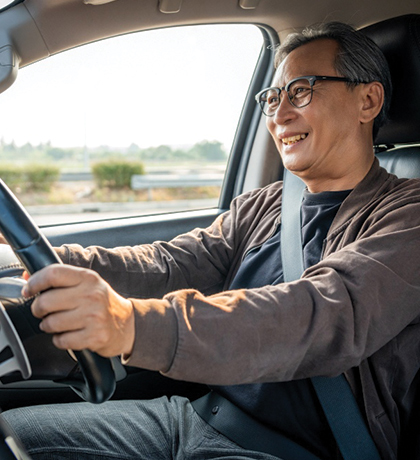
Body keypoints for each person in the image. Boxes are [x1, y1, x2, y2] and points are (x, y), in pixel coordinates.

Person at [3, 21, 420, 460]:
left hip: (292, 451)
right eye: (273, 98)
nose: (278, 116)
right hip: (194, 417)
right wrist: (26, 258)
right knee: (12, 438)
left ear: (368, 100)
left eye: (301, 90)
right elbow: (169, 265)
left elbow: (319, 315)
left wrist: (131, 323)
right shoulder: (267, 205)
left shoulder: (407, 215)